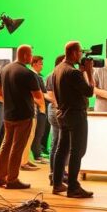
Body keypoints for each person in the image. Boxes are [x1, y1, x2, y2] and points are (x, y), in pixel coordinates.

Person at [0, 45, 44, 189]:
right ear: (25, 55)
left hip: (8, 115)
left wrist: (10, 102)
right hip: (23, 116)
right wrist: (39, 106)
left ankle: (0, 177)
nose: (32, 57)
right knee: (17, 147)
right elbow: (38, 96)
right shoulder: (28, 73)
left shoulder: (5, 70)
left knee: (6, 145)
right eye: (31, 54)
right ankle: (12, 179)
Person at [51, 41, 96, 198]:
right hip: (76, 115)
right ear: (74, 53)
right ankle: (73, 187)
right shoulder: (73, 72)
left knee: (62, 149)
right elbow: (90, 91)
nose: (82, 56)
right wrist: (89, 72)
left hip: (63, 114)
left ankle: (57, 184)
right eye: (80, 53)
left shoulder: (57, 69)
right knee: (78, 151)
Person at [45, 55, 65, 184]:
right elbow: (51, 96)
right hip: (56, 111)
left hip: (57, 110)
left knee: (58, 143)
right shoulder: (52, 76)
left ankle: (58, 171)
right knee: (57, 143)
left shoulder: (55, 75)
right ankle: (54, 173)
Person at [29, 55, 49, 164]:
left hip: (41, 108)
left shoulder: (38, 76)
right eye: (41, 63)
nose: (42, 65)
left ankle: (38, 154)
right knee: (38, 133)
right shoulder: (32, 76)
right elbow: (40, 94)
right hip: (38, 109)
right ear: (34, 64)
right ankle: (37, 156)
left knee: (40, 132)